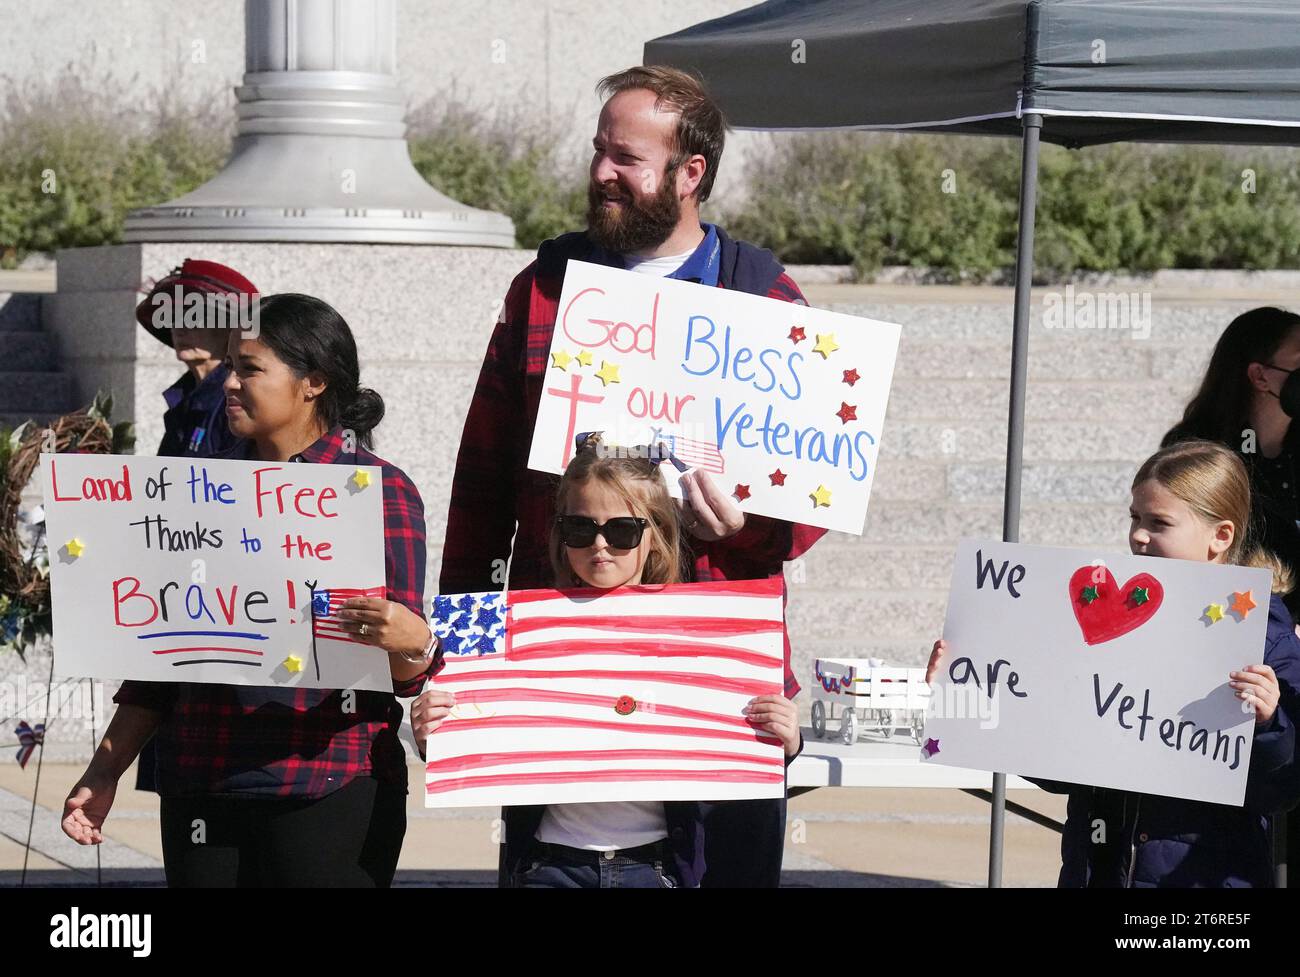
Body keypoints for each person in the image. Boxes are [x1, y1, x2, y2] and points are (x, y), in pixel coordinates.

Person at [440, 64, 825, 888]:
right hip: (563, 650)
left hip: (715, 665)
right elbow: (480, 485)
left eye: (627, 158)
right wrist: (458, 654)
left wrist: (748, 523)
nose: (602, 174)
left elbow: (810, 504)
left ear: (692, 174)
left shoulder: (768, 297)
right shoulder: (543, 289)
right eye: (599, 152)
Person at [61, 294, 437, 887]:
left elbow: (404, 674)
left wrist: (415, 644)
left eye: (250, 368)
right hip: (201, 781)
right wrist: (103, 771)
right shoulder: (194, 489)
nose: (230, 382)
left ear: (313, 382)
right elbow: (158, 660)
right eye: (231, 364)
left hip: (328, 783)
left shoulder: (379, 493)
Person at [415, 432, 802, 887]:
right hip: (549, 865)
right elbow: (466, 735)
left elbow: (740, 749)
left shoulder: (707, 629)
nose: (600, 545)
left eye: (621, 531)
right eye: (581, 529)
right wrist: (432, 732)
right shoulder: (506, 623)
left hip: (657, 868)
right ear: (560, 535)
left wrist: (786, 740)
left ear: (655, 536)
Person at [928, 440, 1300, 887]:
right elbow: (1059, 770)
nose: (1139, 535)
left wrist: (1269, 724)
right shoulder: (1102, 625)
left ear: (1220, 536)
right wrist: (974, 687)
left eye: (1159, 523)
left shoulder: (1267, 638)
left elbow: (1281, 790)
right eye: (1135, 518)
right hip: (1097, 869)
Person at [131, 259, 259, 795]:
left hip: (229, 601)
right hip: (176, 593)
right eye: (174, 311)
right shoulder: (183, 402)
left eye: (195, 310)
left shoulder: (236, 403)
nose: (180, 322)